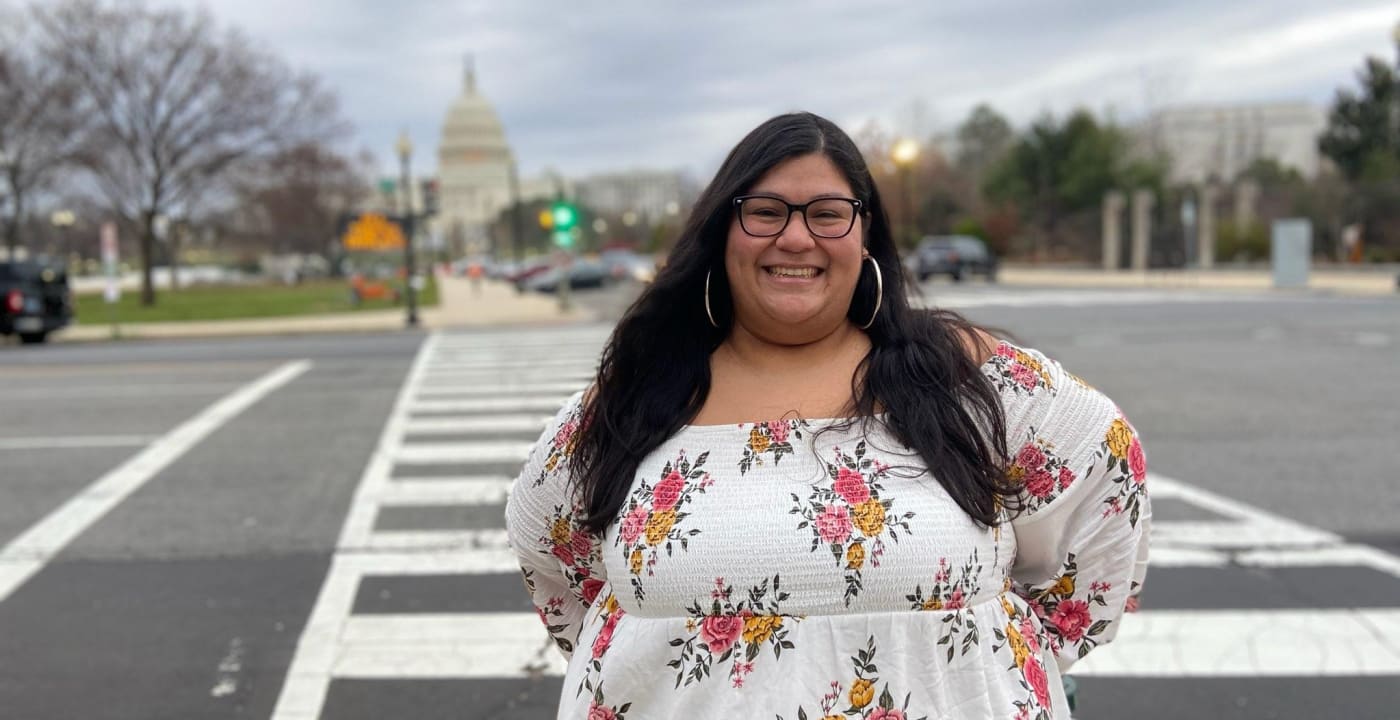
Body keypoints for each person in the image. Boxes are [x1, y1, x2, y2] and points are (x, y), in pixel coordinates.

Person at [506, 112, 1150, 720]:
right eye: (764, 212)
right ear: (719, 235)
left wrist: (1010, 654)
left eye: (827, 214)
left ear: (864, 233)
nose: (795, 236)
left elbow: (1105, 476)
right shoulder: (637, 393)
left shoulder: (964, 377)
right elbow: (552, 547)